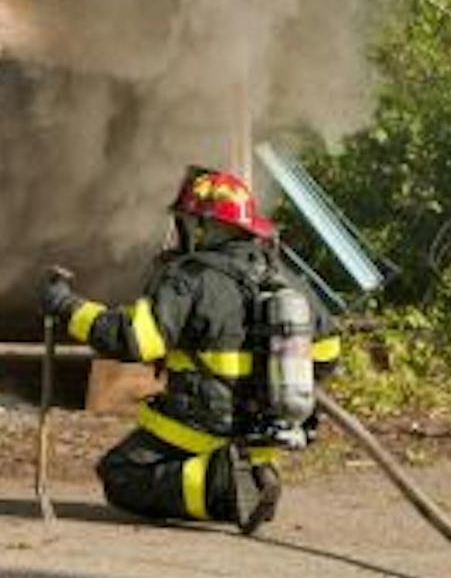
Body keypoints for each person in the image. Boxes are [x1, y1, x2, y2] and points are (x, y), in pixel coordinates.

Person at [39, 165, 343, 533]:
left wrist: (67, 306)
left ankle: (224, 488)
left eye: (187, 222)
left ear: (204, 227)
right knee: (148, 464)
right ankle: (245, 471)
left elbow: (134, 339)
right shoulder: (283, 279)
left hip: (200, 426)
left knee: (120, 474)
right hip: (263, 431)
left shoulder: (190, 277)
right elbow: (328, 350)